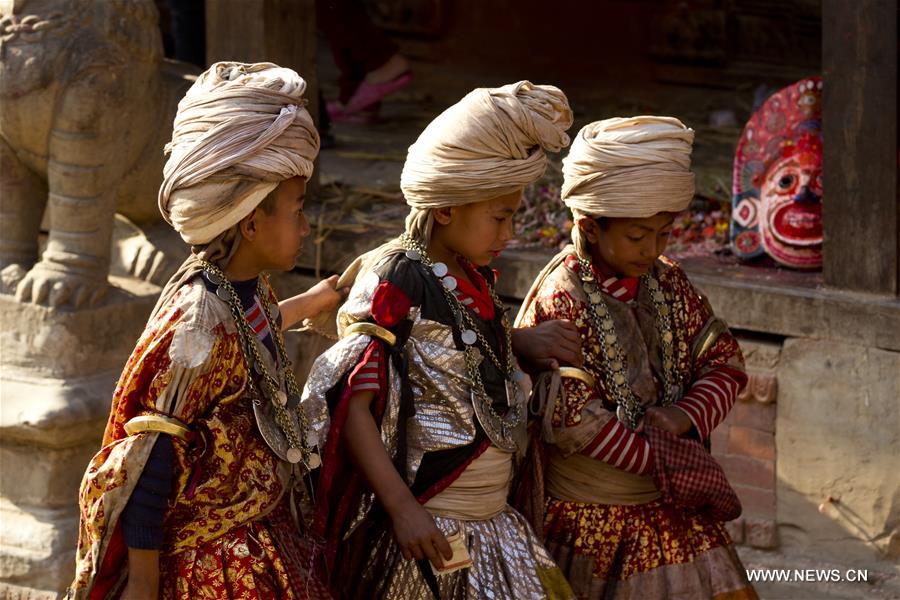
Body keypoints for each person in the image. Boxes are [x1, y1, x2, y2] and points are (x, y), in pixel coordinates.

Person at [68, 62, 345, 600]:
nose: (307, 227)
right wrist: (144, 586)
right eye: (298, 209)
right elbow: (149, 461)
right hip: (214, 568)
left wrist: (312, 301)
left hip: (261, 535)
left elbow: (250, 339)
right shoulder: (197, 321)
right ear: (250, 222)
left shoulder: (245, 287)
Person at [301, 81, 579, 599]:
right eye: (500, 216)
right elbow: (349, 400)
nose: (509, 233)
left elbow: (454, 351)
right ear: (446, 208)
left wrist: (516, 342)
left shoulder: (470, 277)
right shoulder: (398, 278)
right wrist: (402, 509)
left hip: (492, 523)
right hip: (431, 524)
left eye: (513, 215)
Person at [515, 116, 758, 599]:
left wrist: (682, 418)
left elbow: (724, 362)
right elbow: (572, 418)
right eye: (637, 235)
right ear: (589, 226)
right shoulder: (562, 295)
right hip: (591, 522)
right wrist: (664, 464)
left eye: (663, 234)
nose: (652, 249)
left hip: (670, 496)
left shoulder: (667, 280)